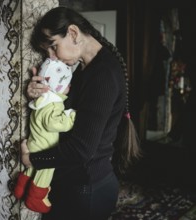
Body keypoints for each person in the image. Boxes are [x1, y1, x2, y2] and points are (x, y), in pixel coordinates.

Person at [20, 6, 141, 220]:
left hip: (87, 190)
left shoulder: (103, 75)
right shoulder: (83, 68)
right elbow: (66, 114)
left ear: (73, 33)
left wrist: (33, 160)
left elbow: (81, 150)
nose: (52, 58)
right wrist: (38, 96)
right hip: (76, 184)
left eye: (53, 46)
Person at [14, 58, 76, 213]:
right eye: (67, 84)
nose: (70, 86)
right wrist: (71, 118)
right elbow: (53, 123)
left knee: (32, 169)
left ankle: (21, 187)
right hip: (45, 147)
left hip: (35, 143)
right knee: (45, 170)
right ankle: (36, 197)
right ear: (57, 87)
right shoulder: (53, 103)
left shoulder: (43, 100)